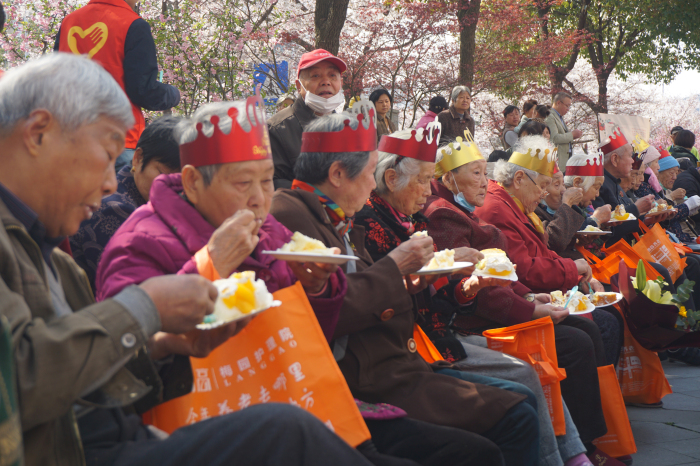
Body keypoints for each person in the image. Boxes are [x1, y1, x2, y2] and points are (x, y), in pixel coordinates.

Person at [0, 53, 375, 466]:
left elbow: (94, 377)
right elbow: (18, 381)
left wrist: (163, 346)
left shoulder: (54, 259)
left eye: (268, 181)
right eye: (108, 155)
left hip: (165, 428)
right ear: (38, 134)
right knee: (287, 431)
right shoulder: (136, 240)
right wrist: (156, 302)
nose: (111, 183)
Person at [270, 102, 542, 466]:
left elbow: (370, 289)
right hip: (369, 377)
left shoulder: (335, 216)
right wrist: (398, 268)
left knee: (518, 404)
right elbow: (324, 310)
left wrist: (420, 279)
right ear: (337, 174)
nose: (372, 185)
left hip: (401, 360)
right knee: (512, 417)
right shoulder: (292, 214)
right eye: (246, 181)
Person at [355, 127, 592, 466]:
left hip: (436, 334)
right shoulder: (390, 221)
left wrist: (471, 288)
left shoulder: (409, 219)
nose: (485, 182)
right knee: (537, 370)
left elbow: (451, 289)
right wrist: (527, 305)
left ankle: (578, 452)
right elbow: (387, 298)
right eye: (423, 180)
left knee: (578, 336)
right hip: (422, 347)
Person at [423, 136, 612, 463]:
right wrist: (532, 307)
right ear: (449, 178)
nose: (485, 182)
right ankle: (582, 448)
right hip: (468, 325)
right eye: (476, 173)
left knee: (589, 328)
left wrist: (529, 295)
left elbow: (503, 271)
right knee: (575, 341)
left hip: (495, 306)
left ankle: (590, 442)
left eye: (485, 173)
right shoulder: (448, 213)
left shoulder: (468, 207)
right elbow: (490, 282)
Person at [54, 0, 180, 173]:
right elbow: (143, 91)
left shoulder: (69, 21)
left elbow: (55, 80)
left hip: (69, 135)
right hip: (118, 138)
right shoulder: (133, 25)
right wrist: (173, 94)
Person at [70, 116, 182, 290]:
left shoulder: (139, 199)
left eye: (180, 180)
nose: (171, 186)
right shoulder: (114, 210)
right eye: (162, 174)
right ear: (138, 158)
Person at [474, 136, 592, 293]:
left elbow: (542, 253)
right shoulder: (497, 210)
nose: (543, 194)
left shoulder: (513, 204)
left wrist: (576, 273)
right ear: (519, 179)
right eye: (542, 186)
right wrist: (572, 269)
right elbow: (523, 269)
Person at [268, 49, 347, 189]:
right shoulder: (276, 129)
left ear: (340, 82)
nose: (326, 82)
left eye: (332, 76)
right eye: (315, 75)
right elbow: (270, 182)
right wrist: (318, 194)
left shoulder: (347, 127)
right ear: (299, 86)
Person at [545, 92, 582, 171]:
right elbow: (554, 138)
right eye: (567, 105)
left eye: (569, 106)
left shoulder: (559, 117)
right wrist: (572, 135)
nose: (568, 109)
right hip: (557, 162)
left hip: (564, 161)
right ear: (558, 103)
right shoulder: (550, 116)